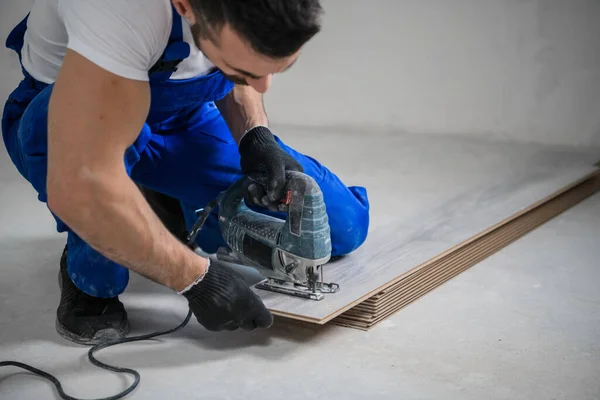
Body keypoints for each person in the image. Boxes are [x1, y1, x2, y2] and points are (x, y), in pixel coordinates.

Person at [2, 0, 370, 345]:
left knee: (341, 226)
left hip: (181, 116)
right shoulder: (115, 9)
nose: (263, 86)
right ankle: (89, 278)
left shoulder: (231, 19)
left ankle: (162, 202)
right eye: (244, 70)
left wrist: (255, 134)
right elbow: (81, 182)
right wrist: (196, 279)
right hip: (73, 120)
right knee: (95, 197)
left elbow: (242, 68)